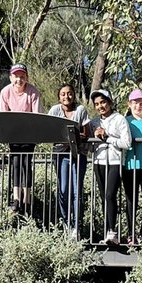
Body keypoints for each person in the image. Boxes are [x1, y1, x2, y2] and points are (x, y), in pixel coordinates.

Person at [0, 63, 41, 215]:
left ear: (26, 78)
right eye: (16, 76)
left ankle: (27, 199)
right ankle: (16, 198)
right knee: (15, 163)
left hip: (29, 134)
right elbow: (2, 115)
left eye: (22, 77)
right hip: (13, 133)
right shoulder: (5, 91)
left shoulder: (33, 92)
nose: (19, 80)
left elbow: (37, 115)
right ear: (11, 78)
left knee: (26, 164)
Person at [90, 89, 131, 246]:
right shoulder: (94, 122)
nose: (101, 106)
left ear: (110, 102)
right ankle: (107, 232)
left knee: (110, 195)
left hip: (115, 161)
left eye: (103, 102)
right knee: (103, 197)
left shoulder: (120, 119)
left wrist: (107, 137)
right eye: (97, 104)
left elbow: (126, 143)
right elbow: (90, 145)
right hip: (98, 162)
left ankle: (112, 232)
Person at [48, 83, 89, 234]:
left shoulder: (80, 110)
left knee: (77, 190)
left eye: (70, 93)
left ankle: (77, 225)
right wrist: (68, 137)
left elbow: (86, 133)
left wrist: (71, 137)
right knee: (63, 189)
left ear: (74, 94)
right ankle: (65, 223)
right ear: (59, 97)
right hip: (60, 154)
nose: (67, 96)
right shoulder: (54, 110)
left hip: (78, 154)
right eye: (63, 94)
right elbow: (50, 133)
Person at [122, 89, 142, 244]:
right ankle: (131, 234)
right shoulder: (125, 121)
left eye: (141, 103)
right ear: (129, 104)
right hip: (129, 165)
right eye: (135, 103)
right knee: (131, 200)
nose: (138, 106)